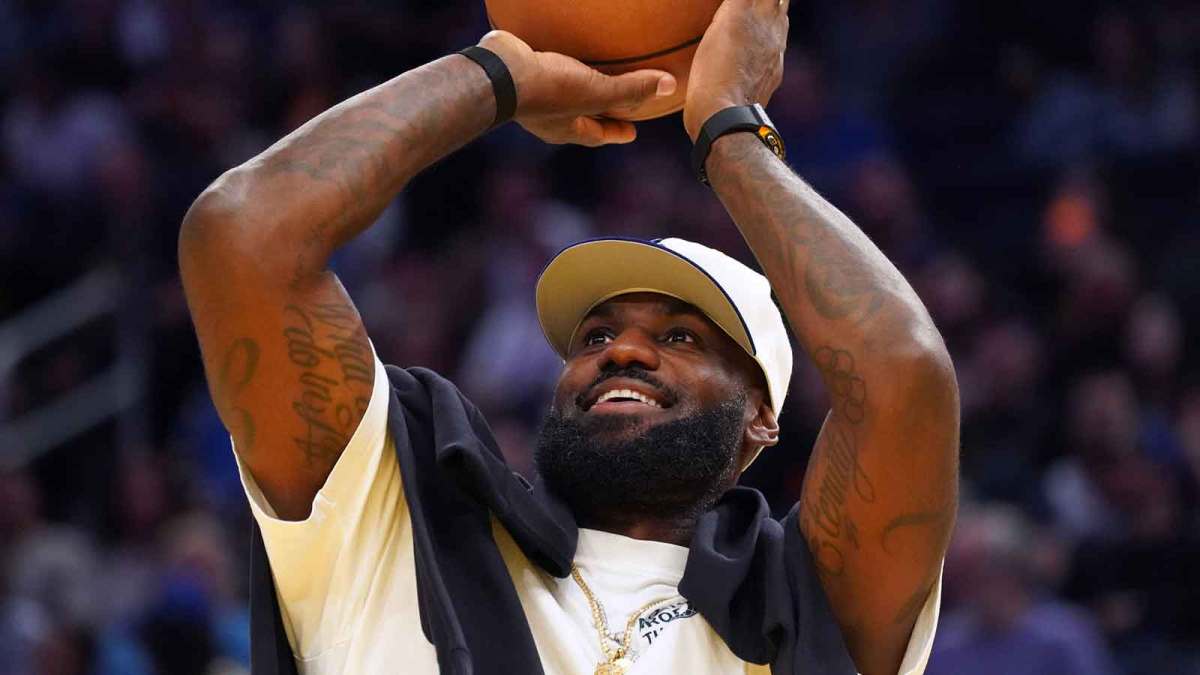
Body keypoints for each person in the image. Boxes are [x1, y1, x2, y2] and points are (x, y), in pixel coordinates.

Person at [177, 1, 959, 673]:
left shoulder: (808, 595)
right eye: (594, 335)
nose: (622, 349)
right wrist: (500, 75)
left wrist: (731, 131)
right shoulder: (396, 516)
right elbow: (243, 236)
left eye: (684, 337)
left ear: (762, 415)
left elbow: (905, 375)